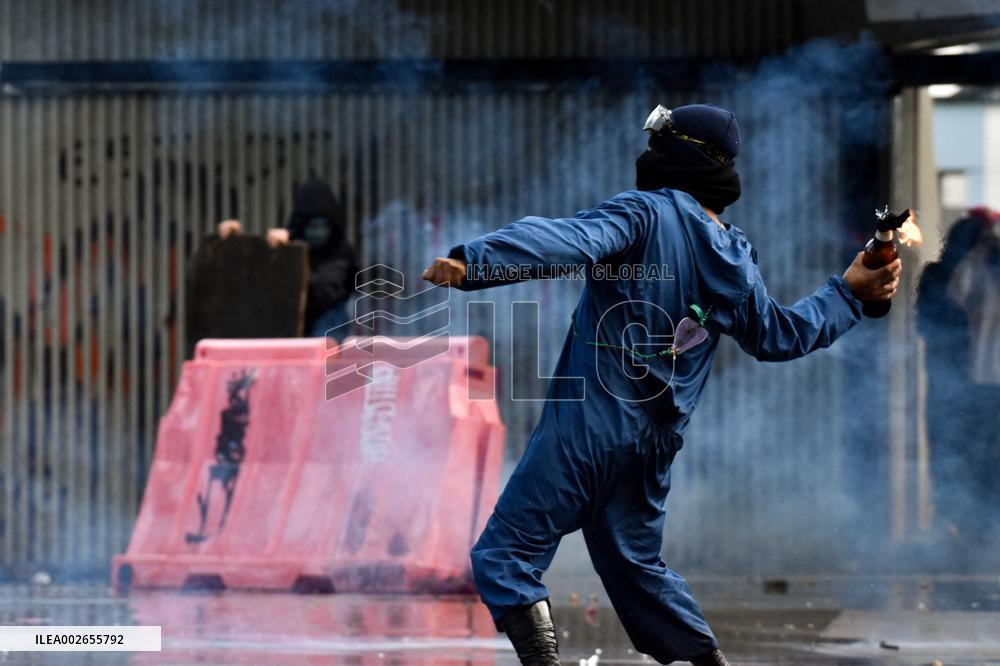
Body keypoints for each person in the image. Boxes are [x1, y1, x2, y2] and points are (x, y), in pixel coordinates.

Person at [422, 104, 901, 665]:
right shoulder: (734, 254)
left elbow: (567, 240)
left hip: (590, 427)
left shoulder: (644, 212)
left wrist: (474, 261)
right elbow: (779, 335)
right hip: (653, 445)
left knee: (505, 556)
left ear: (675, 153)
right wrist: (848, 295)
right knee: (637, 572)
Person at [916, 208, 1000, 558]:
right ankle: (964, 531)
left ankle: (978, 532)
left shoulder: (984, 269)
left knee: (982, 460)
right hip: (960, 383)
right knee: (960, 456)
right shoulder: (948, 273)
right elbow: (936, 319)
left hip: (982, 383)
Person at [220, 180, 359, 338]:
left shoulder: (340, 252)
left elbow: (324, 290)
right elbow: (251, 274)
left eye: (324, 226)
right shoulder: (288, 242)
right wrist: (231, 240)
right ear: (302, 226)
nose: (319, 233)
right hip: (286, 323)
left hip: (325, 321)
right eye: (313, 227)